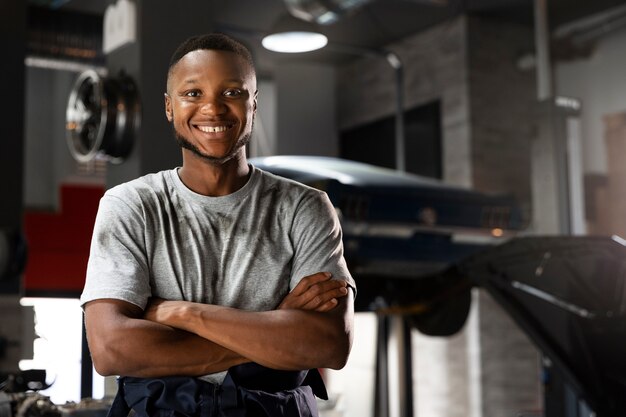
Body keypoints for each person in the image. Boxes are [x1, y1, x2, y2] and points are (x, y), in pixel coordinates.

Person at [80, 33, 355, 417]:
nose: (213, 109)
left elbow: (328, 345)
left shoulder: (305, 207)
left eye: (232, 93)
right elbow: (111, 350)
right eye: (192, 93)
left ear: (254, 103)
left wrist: (182, 314)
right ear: (168, 107)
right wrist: (272, 328)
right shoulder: (131, 205)